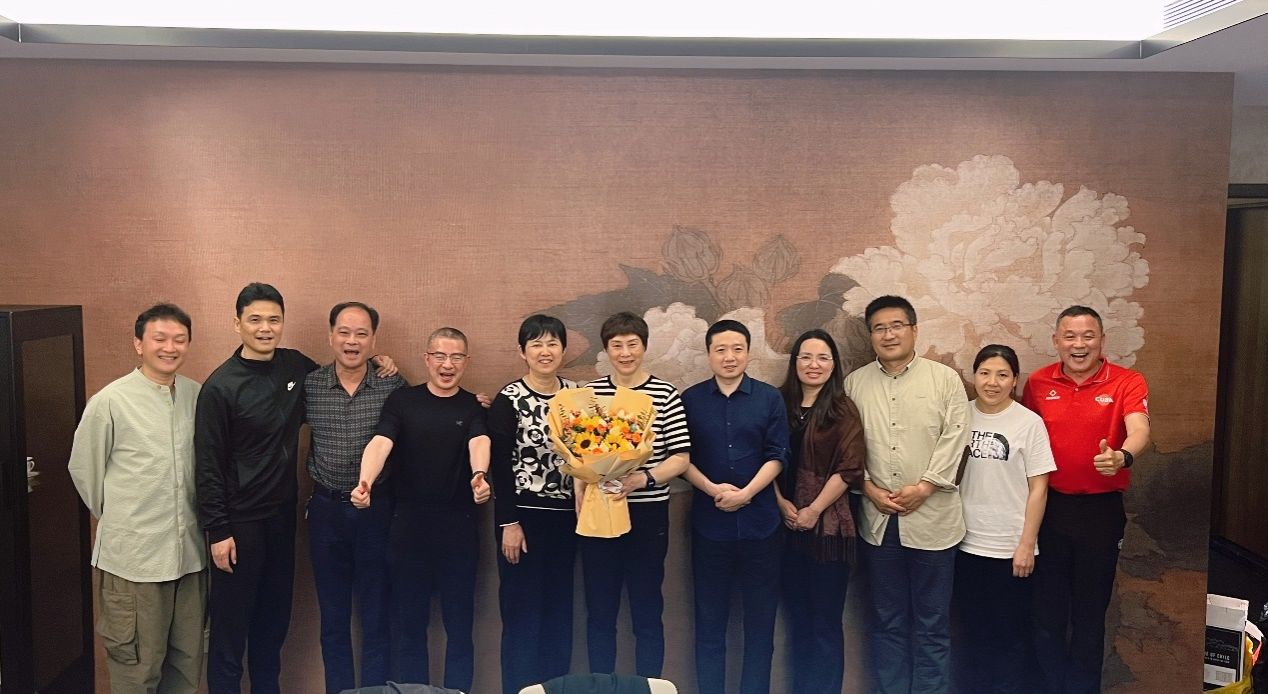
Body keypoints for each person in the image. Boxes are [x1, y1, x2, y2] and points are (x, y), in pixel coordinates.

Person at [195, 282, 394, 694]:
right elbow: (208, 464)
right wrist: (218, 529)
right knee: (230, 629)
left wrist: (379, 361)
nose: (265, 328)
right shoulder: (220, 386)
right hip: (239, 523)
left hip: (283, 518)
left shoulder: (295, 368)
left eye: (273, 319)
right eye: (255, 320)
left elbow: (349, 371)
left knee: (272, 626)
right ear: (237, 324)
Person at [68, 303, 207, 694]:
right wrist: (125, 522)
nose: (170, 347)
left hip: (189, 559)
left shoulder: (197, 395)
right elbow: (85, 472)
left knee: (186, 667)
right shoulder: (111, 402)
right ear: (138, 343)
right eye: (159, 338)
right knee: (136, 672)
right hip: (133, 562)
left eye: (179, 339)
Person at [843, 295, 970, 694]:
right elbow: (846, 446)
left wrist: (926, 486)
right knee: (888, 623)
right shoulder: (854, 383)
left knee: (933, 625)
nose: (888, 334)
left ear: (914, 330)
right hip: (879, 523)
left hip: (934, 523)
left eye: (896, 325)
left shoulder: (944, 379)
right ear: (870, 336)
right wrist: (868, 489)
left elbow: (957, 438)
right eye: (879, 328)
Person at [352, 327, 490, 692]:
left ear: (466, 362)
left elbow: (479, 440)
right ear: (427, 359)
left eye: (456, 357)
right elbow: (381, 442)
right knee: (410, 627)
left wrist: (479, 475)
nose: (447, 364)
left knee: (460, 628)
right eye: (440, 356)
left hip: (458, 531)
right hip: (408, 529)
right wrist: (365, 481)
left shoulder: (472, 405)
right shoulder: (402, 401)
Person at [1022, 306, 1150, 694]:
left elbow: (1139, 429)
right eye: (1070, 336)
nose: (1079, 345)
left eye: (1088, 336)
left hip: (1100, 513)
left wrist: (1122, 456)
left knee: (1090, 618)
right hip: (1048, 510)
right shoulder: (1038, 383)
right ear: (1056, 341)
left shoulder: (1127, 381)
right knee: (1046, 616)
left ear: (1102, 340)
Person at [579, 311, 691, 677]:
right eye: (617, 346)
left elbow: (681, 458)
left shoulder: (665, 394)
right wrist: (581, 498)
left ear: (644, 347)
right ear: (606, 350)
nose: (625, 353)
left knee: (647, 609)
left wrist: (643, 479)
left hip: (647, 514)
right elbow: (577, 454)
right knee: (599, 612)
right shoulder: (591, 394)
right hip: (599, 514)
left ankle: (649, 685)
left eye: (632, 344)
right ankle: (600, 685)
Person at [681, 319, 789, 694]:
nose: (730, 357)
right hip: (709, 528)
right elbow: (680, 458)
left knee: (760, 628)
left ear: (748, 352)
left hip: (762, 528)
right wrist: (712, 489)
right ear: (709, 354)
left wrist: (746, 494)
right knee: (709, 626)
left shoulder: (769, 398)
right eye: (721, 350)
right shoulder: (690, 399)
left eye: (737, 349)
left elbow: (778, 455)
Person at [304, 302, 406, 694]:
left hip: (376, 512)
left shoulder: (392, 385)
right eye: (344, 332)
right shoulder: (310, 385)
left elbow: (427, 412)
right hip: (326, 511)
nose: (352, 341)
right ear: (331, 335)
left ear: (373, 340)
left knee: (376, 615)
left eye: (361, 334)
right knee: (333, 619)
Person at [952, 344, 1055, 694]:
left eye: (1002, 375)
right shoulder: (960, 415)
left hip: (1010, 550)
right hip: (963, 544)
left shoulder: (1029, 423)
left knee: (1010, 635)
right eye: (984, 373)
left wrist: (1026, 545)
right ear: (974, 376)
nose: (992, 382)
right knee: (971, 632)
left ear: (1014, 380)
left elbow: (1039, 489)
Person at [487, 314, 578, 694]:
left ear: (563, 349)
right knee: (523, 615)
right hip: (523, 521)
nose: (545, 351)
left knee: (559, 615)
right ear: (522, 352)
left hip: (569, 521)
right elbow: (499, 467)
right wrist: (508, 523)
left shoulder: (577, 395)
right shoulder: (509, 399)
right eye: (536, 344)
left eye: (552, 343)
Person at [773, 329, 865, 694]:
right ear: (795, 362)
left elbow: (850, 468)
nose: (814, 365)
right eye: (806, 357)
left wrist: (813, 509)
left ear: (834, 365)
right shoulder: (777, 403)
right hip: (784, 530)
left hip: (828, 533)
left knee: (825, 624)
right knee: (799, 622)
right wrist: (781, 503)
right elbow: (766, 458)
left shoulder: (843, 409)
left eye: (823, 358)